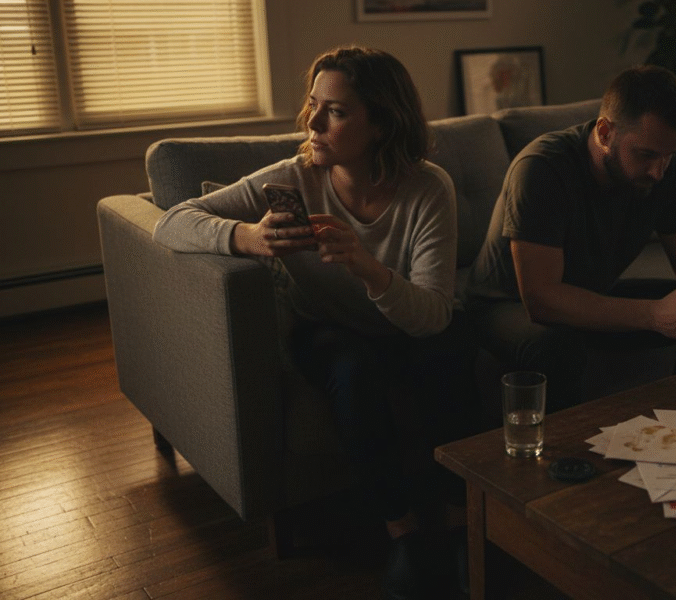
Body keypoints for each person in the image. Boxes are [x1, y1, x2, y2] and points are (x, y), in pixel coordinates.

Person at [153, 46, 475, 599]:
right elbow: (173, 222)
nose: (314, 122)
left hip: (406, 325)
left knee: (453, 352)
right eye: (313, 105)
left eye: (337, 111)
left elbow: (432, 315)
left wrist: (367, 268)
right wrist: (248, 237)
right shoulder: (294, 177)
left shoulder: (428, 188)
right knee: (353, 371)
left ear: (382, 122)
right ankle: (402, 534)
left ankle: (453, 524)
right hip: (329, 330)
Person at [464, 65, 676, 413]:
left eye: (668, 155)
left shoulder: (665, 168)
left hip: (590, 292)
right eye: (646, 154)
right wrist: (653, 314)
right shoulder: (542, 168)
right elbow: (541, 299)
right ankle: (568, 449)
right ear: (604, 132)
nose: (658, 171)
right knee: (555, 345)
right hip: (506, 306)